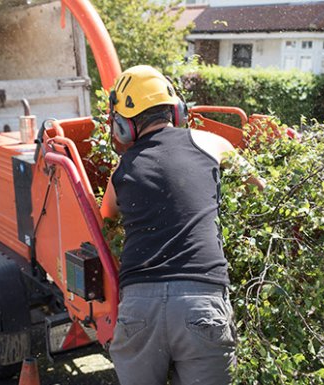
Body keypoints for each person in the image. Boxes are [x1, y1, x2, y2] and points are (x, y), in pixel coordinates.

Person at [100, 65, 264, 385]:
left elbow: (107, 217)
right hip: (201, 302)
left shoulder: (121, 170)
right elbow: (258, 185)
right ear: (177, 111)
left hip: (139, 309)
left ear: (123, 126)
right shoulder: (211, 144)